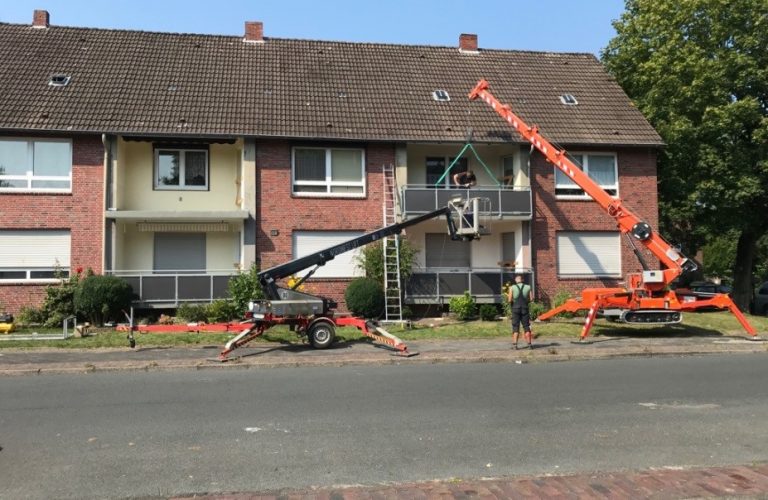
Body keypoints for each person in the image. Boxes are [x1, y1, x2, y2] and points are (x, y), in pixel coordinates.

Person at [507, 273, 533, 349]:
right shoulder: (528, 287)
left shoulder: (512, 287)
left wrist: (513, 302)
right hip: (525, 308)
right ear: (522, 280)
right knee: (526, 326)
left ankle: (515, 345)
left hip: (515, 309)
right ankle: (529, 345)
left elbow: (509, 299)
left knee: (515, 326)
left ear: (516, 280)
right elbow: (531, 299)